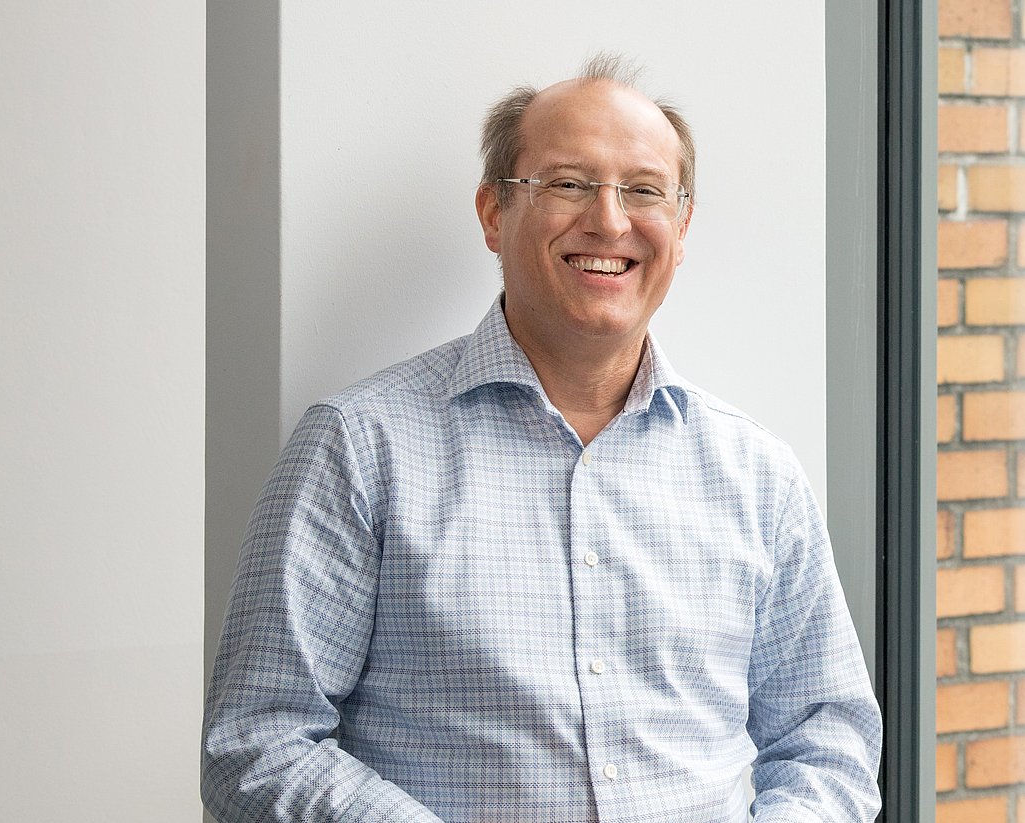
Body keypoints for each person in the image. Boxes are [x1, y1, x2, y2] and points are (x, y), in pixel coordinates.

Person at [202, 54, 882, 822]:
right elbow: (256, 743)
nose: (610, 220)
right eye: (568, 182)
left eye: (644, 190)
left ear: (682, 227)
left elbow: (829, 739)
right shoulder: (360, 448)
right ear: (493, 213)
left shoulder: (759, 473)